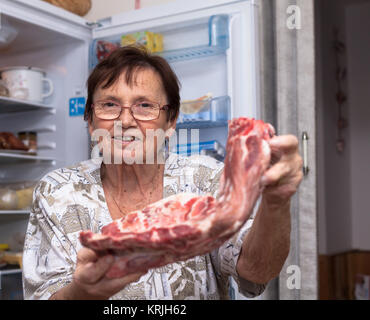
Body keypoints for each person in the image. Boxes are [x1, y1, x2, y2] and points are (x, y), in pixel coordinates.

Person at [22, 46, 303, 300]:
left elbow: (256, 270)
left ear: (171, 122)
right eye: (109, 105)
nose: (126, 120)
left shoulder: (205, 178)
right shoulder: (58, 192)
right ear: (90, 121)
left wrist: (277, 201)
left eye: (145, 105)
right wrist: (81, 293)